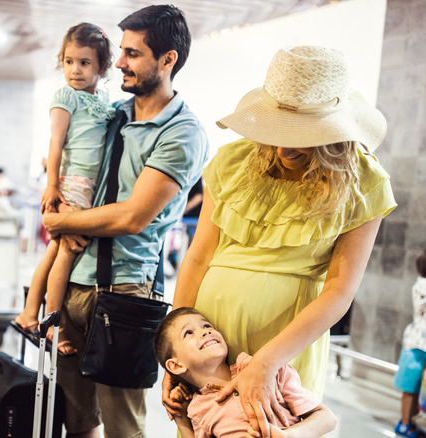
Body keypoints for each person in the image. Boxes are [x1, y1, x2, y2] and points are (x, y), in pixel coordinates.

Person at [162, 46, 397, 438]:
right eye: (276, 130)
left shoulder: (365, 184)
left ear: (334, 132)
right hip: (209, 338)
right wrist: (174, 351)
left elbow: (340, 289)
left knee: (273, 428)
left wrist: (268, 362)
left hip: (286, 344)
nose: (285, 148)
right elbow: (199, 257)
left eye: (302, 135)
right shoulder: (233, 162)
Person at [41, 5, 209, 436]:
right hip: (71, 280)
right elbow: (67, 165)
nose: (118, 63)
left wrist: (62, 224)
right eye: (121, 51)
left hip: (126, 292)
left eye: (132, 54)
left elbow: (135, 216)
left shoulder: (182, 131)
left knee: (122, 427)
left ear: (167, 60)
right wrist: (57, 207)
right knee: (77, 422)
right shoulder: (111, 113)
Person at [11, 22, 115, 350]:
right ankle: (51, 325)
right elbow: (55, 144)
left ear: (102, 66)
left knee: (55, 251)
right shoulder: (65, 95)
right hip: (73, 185)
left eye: (84, 63)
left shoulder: (104, 100)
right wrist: (52, 186)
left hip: (89, 188)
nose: (75, 70)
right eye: (69, 61)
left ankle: (29, 313)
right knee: (66, 252)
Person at [155, 307, 337, 438]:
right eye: (188, 333)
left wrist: (289, 435)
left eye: (207, 326)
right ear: (176, 366)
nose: (204, 332)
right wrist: (181, 420)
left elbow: (327, 418)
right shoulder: (198, 409)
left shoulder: (265, 372)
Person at [393, 250, 426, 438]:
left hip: (421, 344)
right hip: (417, 345)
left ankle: (411, 421)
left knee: (417, 389)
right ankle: (405, 424)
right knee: (410, 387)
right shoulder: (422, 285)